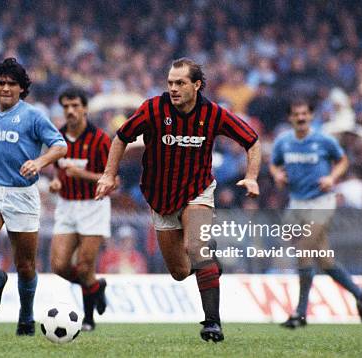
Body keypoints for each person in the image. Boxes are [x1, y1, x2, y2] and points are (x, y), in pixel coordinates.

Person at [95, 58, 261, 342]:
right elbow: (120, 137)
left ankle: (212, 323)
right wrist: (109, 174)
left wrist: (252, 175)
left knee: (197, 246)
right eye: (170, 82)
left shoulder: (213, 114)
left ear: (196, 85)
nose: (173, 88)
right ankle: (209, 259)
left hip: (198, 191)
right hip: (160, 199)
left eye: (180, 83)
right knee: (180, 271)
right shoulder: (153, 109)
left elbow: (252, 140)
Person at [0, 58, 67, 336]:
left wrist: (39, 163)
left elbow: (60, 145)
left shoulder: (33, 116)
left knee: (26, 264)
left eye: (12, 83)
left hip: (22, 194)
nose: (6, 87)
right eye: (1, 83)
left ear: (21, 89)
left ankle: (26, 317)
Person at [269, 98, 362, 329]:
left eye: (304, 113)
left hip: (321, 201)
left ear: (311, 116)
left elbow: (342, 160)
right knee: (323, 260)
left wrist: (332, 177)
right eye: (296, 114)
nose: (301, 117)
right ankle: (358, 292)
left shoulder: (323, 140)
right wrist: (277, 175)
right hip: (296, 203)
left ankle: (300, 313)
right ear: (290, 118)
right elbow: (274, 164)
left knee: (304, 249)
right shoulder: (283, 142)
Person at [49, 87, 111, 332]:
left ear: (85, 108)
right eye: (66, 106)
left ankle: (88, 319)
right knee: (60, 266)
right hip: (66, 206)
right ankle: (97, 287)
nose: (70, 111)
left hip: (93, 206)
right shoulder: (56, 137)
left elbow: (112, 181)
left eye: (75, 106)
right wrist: (56, 182)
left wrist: (82, 175)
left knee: (85, 265)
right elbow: (58, 169)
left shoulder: (100, 139)